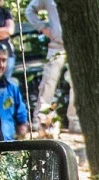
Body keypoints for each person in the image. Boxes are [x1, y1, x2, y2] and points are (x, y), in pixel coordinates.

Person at [24, 0, 78, 133]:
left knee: (77, 83)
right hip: (56, 45)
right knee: (48, 82)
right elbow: (29, 11)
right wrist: (43, 28)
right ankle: (40, 120)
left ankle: (75, 121)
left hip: (77, 45)